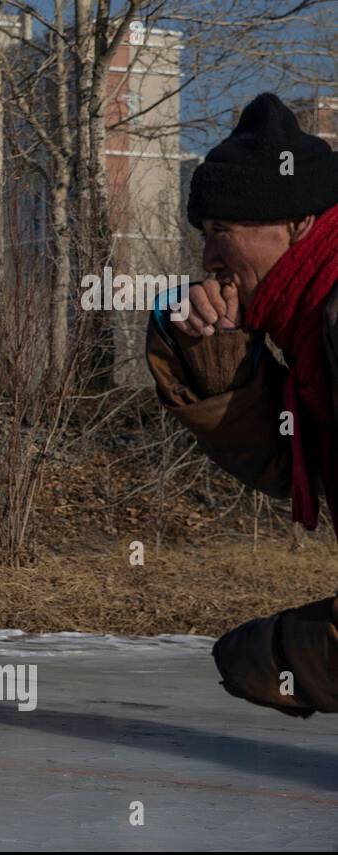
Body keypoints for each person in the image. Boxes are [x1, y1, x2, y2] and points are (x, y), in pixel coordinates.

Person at [146, 93, 338, 717]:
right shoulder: (307, 330)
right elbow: (291, 465)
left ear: (300, 224)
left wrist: (289, 656)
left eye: (224, 230)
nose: (208, 259)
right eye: (205, 235)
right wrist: (216, 358)